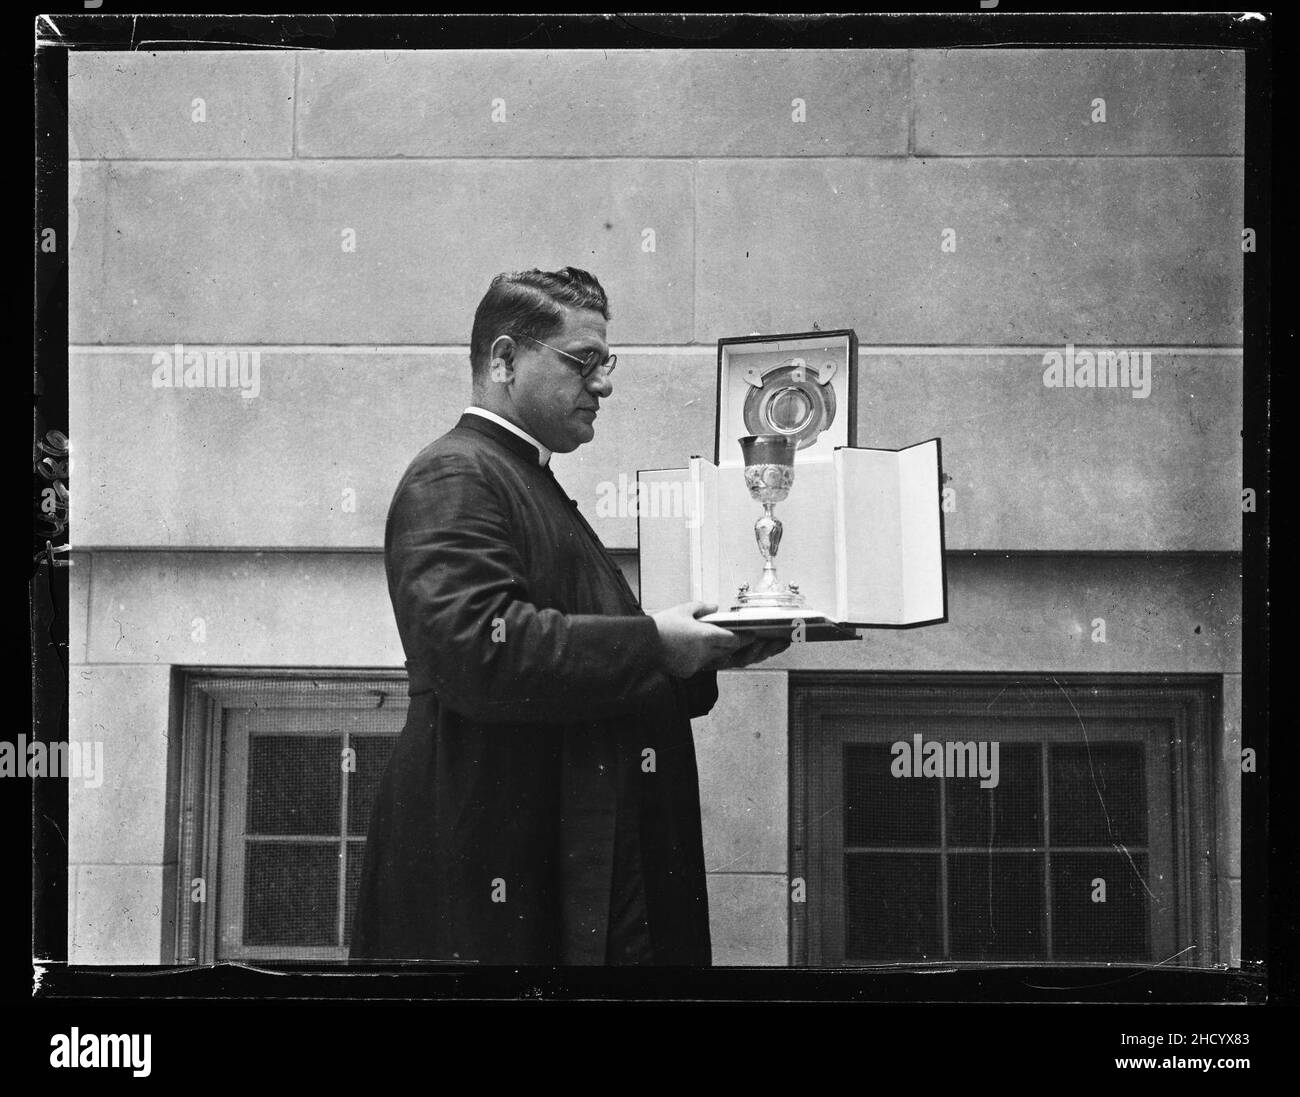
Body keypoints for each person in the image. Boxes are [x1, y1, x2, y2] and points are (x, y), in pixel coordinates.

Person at [351, 267, 788, 965]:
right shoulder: (457, 474)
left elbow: (593, 665)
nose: (604, 383)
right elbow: (479, 652)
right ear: (502, 360)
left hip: (559, 848)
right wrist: (655, 644)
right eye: (583, 362)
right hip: (497, 858)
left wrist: (706, 653)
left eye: (606, 363)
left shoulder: (522, 479)